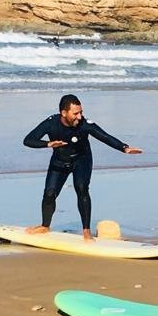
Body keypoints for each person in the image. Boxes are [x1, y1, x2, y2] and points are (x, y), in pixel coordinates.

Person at [23, 94, 142, 239]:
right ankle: (45, 226)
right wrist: (47, 144)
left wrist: (124, 148)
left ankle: (86, 230)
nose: (79, 117)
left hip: (82, 160)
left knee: (81, 188)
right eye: (76, 113)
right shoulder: (51, 123)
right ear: (64, 113)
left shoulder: (84, 124)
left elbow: (104, 136)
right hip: (59, 160)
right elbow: (28, 140)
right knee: (49, 193)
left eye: (81, 112)